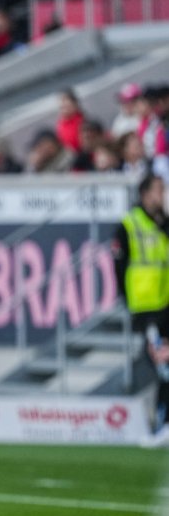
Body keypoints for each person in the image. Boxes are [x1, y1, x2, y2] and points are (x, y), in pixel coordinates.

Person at [111, 174, 169, 445]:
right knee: (163, 365)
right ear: (145, 193)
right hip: (146, 307)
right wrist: (127, 300)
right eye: (158, 190)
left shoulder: (164, 223)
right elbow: (119, 265)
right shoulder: (129, 223)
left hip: (166, 304)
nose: (162, 195)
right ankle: (161, 425)